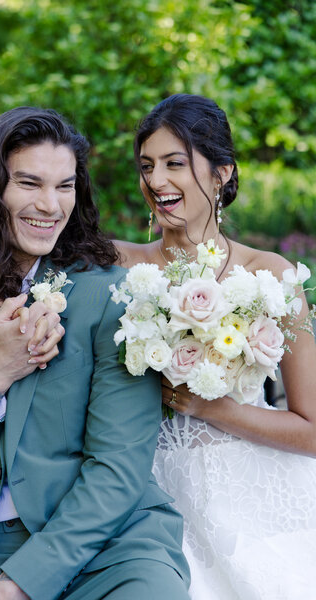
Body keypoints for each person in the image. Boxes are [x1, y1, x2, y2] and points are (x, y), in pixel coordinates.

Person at [0, 106, 191, 600]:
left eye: (64, 186)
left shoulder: (115, 295)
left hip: (109, 546)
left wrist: (15, 589)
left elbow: (117, 469)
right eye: (29, 183)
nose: (50, 205)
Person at [113, 94, 316, 599]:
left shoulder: (271, 275)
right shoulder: (119, 265)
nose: (155, 181)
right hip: (148, 498)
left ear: (222, 173)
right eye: (147, 166)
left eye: (174, 163)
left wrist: (210, 407)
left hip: (254, 495)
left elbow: (312, 429)